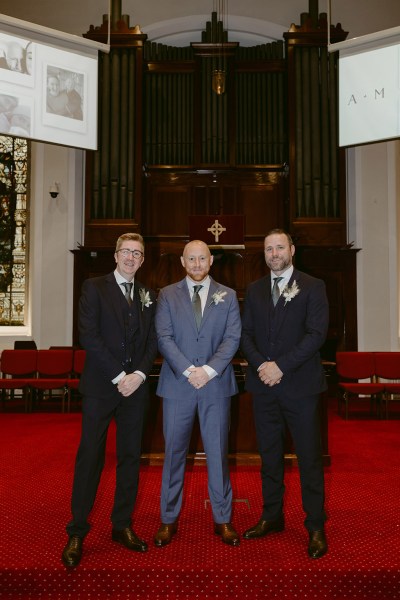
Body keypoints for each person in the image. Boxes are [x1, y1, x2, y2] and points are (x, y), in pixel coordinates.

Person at [62, 233, 158, 568]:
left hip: (137, 389)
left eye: (138, 253)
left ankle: (122, 525)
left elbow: (152, 342)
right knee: (91, 457)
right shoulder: (94, 286)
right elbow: (88, 335)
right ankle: (77, 530)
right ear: (116, 255)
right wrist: (121, 376)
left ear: (143, 259)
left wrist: (141, 375)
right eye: (126, 252)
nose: (132, 257)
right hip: (103, 387)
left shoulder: (148, 294)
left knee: (130, 457)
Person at [240, 228, 329, 559]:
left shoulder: (313, 286)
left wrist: (281, 366)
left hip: (301, 388)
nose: (274, 253)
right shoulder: (255, 289)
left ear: (292, 249)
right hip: (264, 387)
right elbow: (246, 334)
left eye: (279, 247)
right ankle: (272, 516)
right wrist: (263, 364)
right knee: (270, 457)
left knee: (308, 458)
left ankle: (316, 525)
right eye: (268, 249)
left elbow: (316, 334)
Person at [154, 240, 241, 547]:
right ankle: (168, 519)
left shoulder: (228, 296)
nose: (196, 263)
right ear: (182, 261)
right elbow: (163, 337)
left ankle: (223, 519)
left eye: (201, 258)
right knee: (174, 455)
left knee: (217, 454)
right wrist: (190, 371)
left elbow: (232, 338)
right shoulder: (166, 295)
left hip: (216, 386)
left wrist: (209, 371)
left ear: (211, 260)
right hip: (178, 385)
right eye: (191, 258)